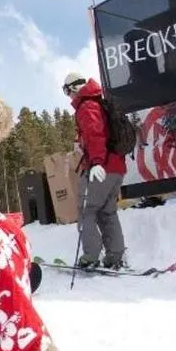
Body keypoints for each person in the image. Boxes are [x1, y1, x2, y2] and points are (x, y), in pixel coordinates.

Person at [63, 72, 127, 269]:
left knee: (86, 211)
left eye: (67, 91)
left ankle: (91, 256)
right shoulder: (99, 102)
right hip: (116, 167)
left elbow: (95, 134)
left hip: (100, 168)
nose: (68, 96)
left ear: (73, 87)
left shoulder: (87, 105)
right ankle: (115, 256)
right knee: (107, 212)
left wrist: (97, 161)